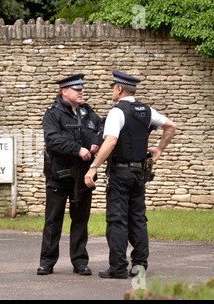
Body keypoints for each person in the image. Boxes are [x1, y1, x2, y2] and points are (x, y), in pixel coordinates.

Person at [84, 71, 177, 278]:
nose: (112, 91)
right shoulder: (147, 110)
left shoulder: (117, 111)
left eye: (113, 87)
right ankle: (139, 265)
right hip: (139, 175)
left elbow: (111, 141)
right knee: (138, 219)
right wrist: (159, 150)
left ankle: (118, 268)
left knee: (117, 221)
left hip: (120, 174)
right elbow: (171, 126)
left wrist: (94, 166)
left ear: (119, 89)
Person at [38, 74, 102, 276]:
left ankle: (80, 262)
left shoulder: (87, 112)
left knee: (81, 220)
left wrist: (95, 143)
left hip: (82, 177)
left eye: (81, 89)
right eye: (77, 89)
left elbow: (99, 129)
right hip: (59, 175)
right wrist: (77, 149)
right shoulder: (53, 113)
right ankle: (47, 263)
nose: (81, 92)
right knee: (53, 221)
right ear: (64, 91)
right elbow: (53, 140)